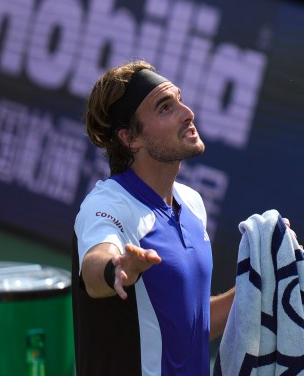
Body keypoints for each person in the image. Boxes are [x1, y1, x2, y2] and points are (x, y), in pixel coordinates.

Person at [71, 60, 234, 375]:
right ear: (131, 138)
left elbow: (190, 329)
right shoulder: (107, 204)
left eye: (180, 100)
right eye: (165, 108)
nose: (188, 113)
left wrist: (260, 281)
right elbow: (95, 266)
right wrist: (116, 268)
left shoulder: (192, 204)